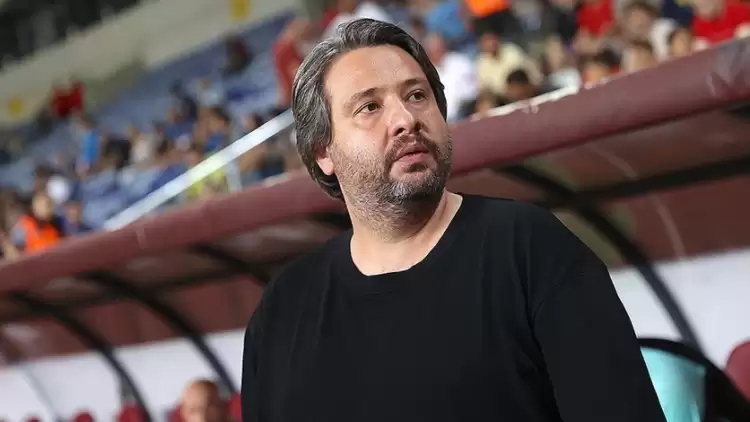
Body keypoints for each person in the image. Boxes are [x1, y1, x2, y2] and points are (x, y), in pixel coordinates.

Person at [241, 18, 666, 422]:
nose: (406, 120)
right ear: (323, 152)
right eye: (369, 106)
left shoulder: (529, 250)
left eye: (416, 95)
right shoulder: (282, 311)